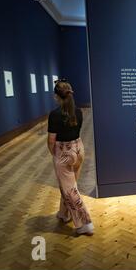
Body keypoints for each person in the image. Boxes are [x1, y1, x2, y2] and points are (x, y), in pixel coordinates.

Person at [47, 79, 94, 236]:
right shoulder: (79, 112)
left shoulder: (54, 115)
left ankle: (85, 223)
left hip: (64, 152)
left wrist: (55, 154)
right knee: (69, 186)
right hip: (79, 149)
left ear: (57, 96)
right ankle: (64, 214)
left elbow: (51, 141)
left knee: (70, 190)